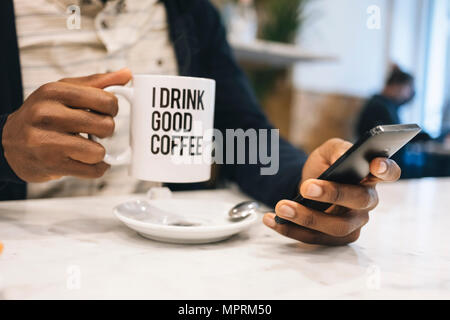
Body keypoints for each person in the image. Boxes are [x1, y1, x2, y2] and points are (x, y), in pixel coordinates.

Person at [0, 0, 401, 246]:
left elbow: (243, 135)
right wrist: (5, 146)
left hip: (169, 249)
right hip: (27, 249)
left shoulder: (190, 12)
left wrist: (310, 183)